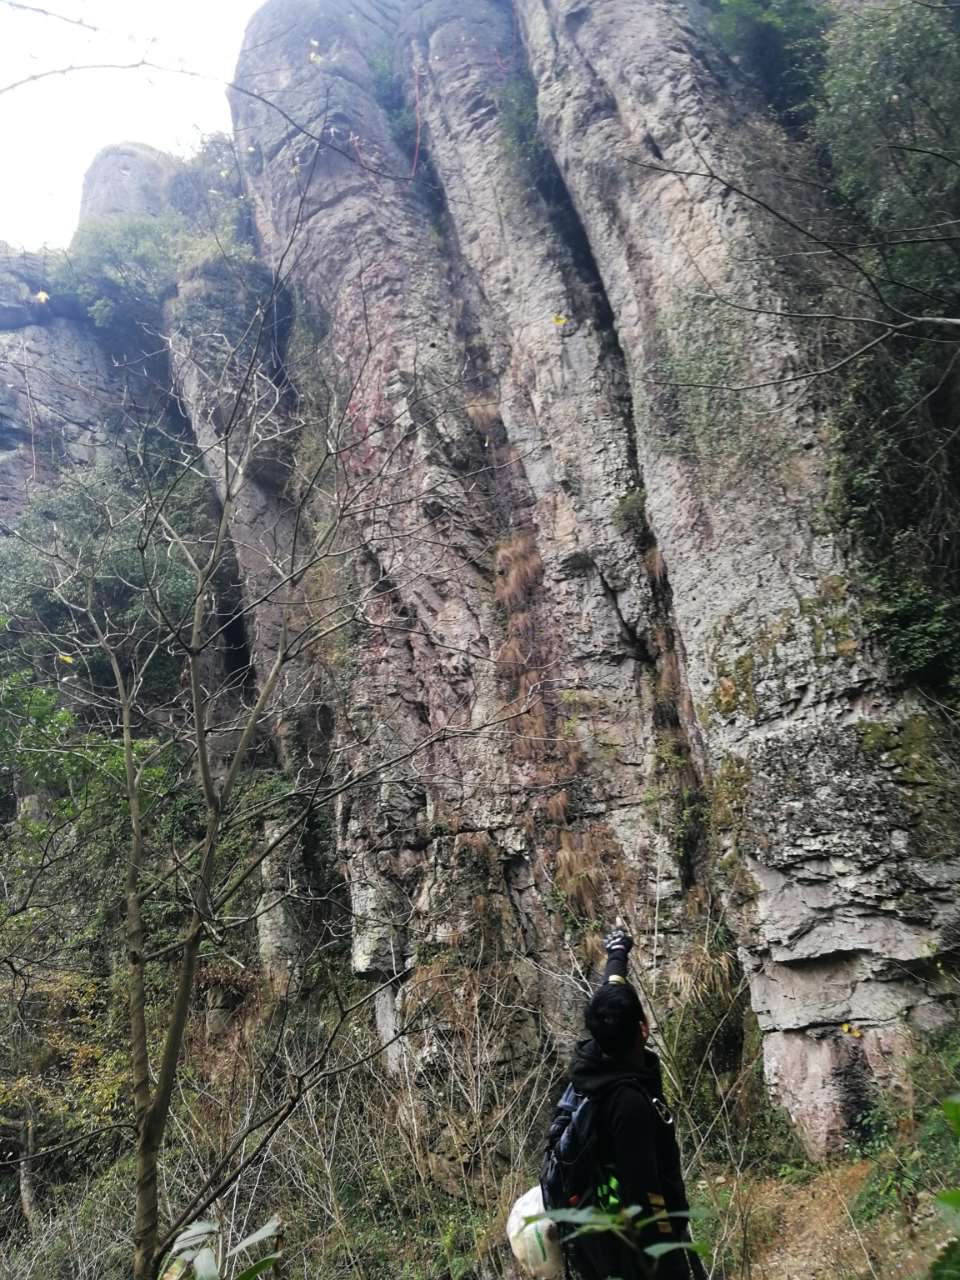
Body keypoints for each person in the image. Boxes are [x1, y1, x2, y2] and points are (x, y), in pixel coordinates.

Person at [563, 927, 708, 1280]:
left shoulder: (595, 1057)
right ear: (643, 1030)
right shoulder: (629, 1106)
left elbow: (610, 995)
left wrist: (618, 953)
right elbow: (646, 1196)